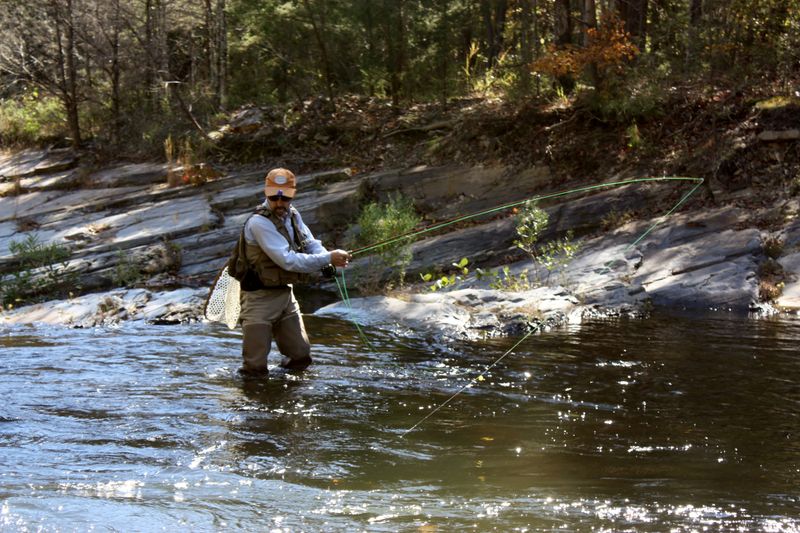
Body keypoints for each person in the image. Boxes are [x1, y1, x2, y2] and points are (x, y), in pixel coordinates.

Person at [238, 167, 350, 377]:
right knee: (255, 367)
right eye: (274, 197)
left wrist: (327, 259)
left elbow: (310, 244)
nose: (280, 203)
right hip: (257, 299)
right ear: (266, 193)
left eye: (285, 198)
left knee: (301, 357)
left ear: (293, 194)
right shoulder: (258, 223)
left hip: (285, 295)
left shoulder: (293, 215)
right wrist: (327, 258)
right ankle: (255, 405)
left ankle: (286, 395)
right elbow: (288, 261)